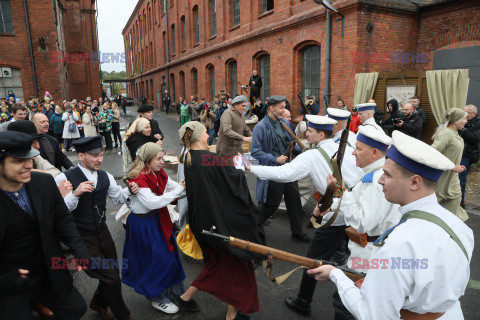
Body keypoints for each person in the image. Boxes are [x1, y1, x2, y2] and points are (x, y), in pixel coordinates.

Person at [308, 130, 473, 320]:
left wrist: (336, 274)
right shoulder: (459, 226)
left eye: (387, 174)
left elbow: (371, 314)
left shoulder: (399, 242)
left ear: (415, 182)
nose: (380, 179)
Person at [248, 115, 363, 314]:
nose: (305, 133)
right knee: (357, 255)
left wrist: (252, 168)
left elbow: (283, 174)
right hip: (356, 209)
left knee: (313, 258)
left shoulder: (312, 156)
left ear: (320, 134)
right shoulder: (346, 145)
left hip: (335, 213)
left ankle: (303, 302)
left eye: (310, 131)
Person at [175, 121, 265, 320]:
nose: (209, 136)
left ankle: (192, 299)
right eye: (206, 132)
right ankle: (230, 314)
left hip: (205, 223)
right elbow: (235, 182)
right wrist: (240, 167)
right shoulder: (208, 158)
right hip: (223, 223)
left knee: (223, 264)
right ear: (198, 137)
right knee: (237, 263)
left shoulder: (189, 158)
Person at [312, 126, 401, 318]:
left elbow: (362, 222)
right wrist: (329, 209)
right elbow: (358, 206)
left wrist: (342, 193)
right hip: (369, 252)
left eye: (359, 148)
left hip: (367, 257)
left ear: (374, 152)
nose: (353, 152)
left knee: (347, 306)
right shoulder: (375, 174)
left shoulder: (374, 180)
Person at [0, 131, 90, 320]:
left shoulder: (43, 182)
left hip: (48, 269)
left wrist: (79, 250)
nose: (28, 166)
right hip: (10, 279)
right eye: (18, 161)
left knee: (76, 309)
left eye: (30, 159)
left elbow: (63, 219)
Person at [54, 136, 139, 320]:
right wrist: (75, 194)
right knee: (111, 277)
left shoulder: (106, 176)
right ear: (81, 156)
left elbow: (118, 198)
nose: (99, 159)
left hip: (102, 230)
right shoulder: (63, 178)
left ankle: (98, 303)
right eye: (94, 156)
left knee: (112, 272)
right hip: (80, 235)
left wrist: (130, 190)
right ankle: (122, 315)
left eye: (101, 154)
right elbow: (57, 210)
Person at [123, 143, 189, 314]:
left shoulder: (157, 172)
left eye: (163, 157)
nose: (162, 161)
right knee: (157, 261)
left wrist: (189, 187)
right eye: (159, 158)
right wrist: (179, 191)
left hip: (157, 220)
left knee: (170, 256)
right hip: (143, 224)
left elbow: (173, 187)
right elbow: (152, 202)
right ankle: (157, 297)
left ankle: (174, 292)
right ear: (147, 159)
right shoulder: (138, 177)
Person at [251, 95, 310, 243]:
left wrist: (304, 152)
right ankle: (252, 228)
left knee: (294, 202)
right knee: (271, 205)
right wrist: (274, 158)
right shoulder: (260, 127)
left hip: (289, 169)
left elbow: (291, 144)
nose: (284, 110)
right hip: (274, 171)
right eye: (281, 107)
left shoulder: (284, 123)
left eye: (284, 107)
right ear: (271, 108)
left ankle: (297, 233)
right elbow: (255, 151)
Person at [431, 108, 469, 221]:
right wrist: (452, 166)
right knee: (438, 202)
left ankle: (450, 227)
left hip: (452, 177)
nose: (466, 121)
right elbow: (432, 153)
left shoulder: (454, 133)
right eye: (464, 118)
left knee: (455, 200)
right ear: (456, 120)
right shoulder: (446, 133)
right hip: (443, 176)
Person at [459, 104, 480, 207]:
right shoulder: (459, 120)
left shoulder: (478, 123)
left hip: (467, 154)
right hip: (456, 153)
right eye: (463, 112)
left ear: (474, 114)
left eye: (467, 112)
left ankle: (460, 202)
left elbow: (475, 139)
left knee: (461, 179)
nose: (464, 114)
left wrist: (463, 129)